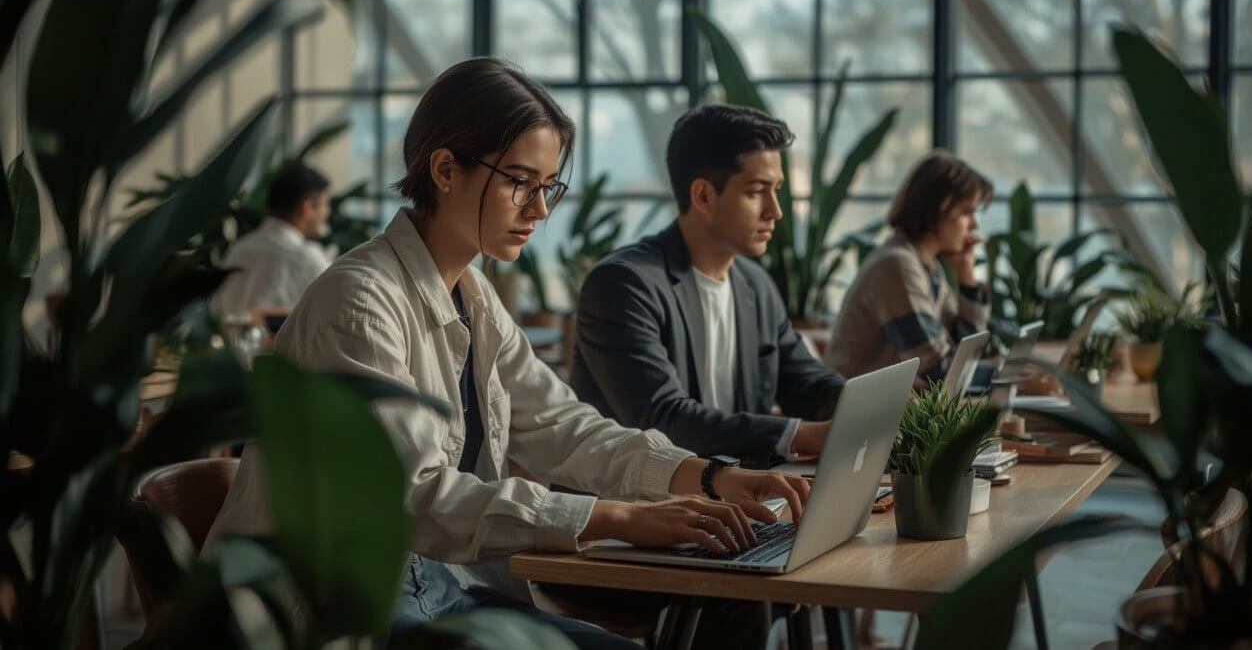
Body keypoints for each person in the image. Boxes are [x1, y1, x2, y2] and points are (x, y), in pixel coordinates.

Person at [203, 58, 808, 650]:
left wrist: (708, 475)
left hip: (436, 587)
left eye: (547, 187)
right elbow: (411, 498)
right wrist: (616, 517)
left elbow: (563, 427)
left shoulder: (472, 292)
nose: (540, 210)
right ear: (444, 169)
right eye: (521, 181)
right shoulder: (360, 300)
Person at [569, 104, 847, 470]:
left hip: (736, 504)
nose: (775, 211)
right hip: (630, 513)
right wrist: (805, 435)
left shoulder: (755, 285)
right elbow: (663, 419)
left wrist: (870, 408)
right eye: (756, 191)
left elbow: (807, 385)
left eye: (776, 190)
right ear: (703, 196)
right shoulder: (622, 284)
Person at [825, 149, 993, 383]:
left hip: (891, 409)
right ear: (938, 208)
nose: (973, 225)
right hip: (857, 414)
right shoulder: (896, 265)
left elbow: (965, 351)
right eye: (967, 212)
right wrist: (1008, 378)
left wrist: (966, 276)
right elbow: (938, 371)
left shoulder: (927, 267)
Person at [208, 163, 332, 319]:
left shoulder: (240, 248)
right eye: (325, 204)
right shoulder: (307, 257)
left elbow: (215, 310)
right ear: (306, 208)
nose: (327, 212)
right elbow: (334, 314)